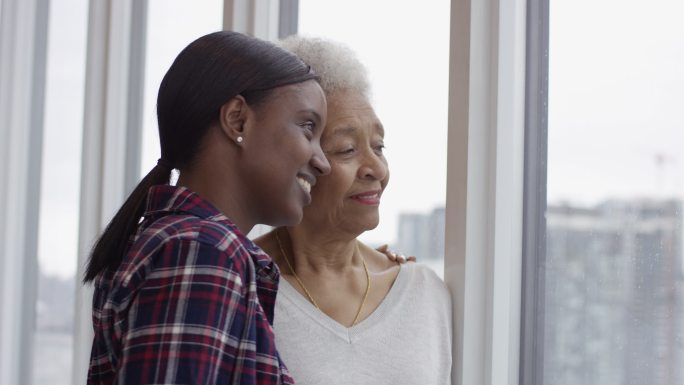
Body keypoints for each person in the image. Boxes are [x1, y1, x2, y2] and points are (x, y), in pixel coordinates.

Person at [82, 31, 331, 385]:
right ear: (237, 120)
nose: (323, 162)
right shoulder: (200, 249)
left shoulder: (185, 243)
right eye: (308, 127)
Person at [255, 36, 452, 385]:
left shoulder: (424, 294)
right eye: (347, 149)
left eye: (379, 146)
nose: (376, 168)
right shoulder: (245, 286)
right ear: (295, 160)